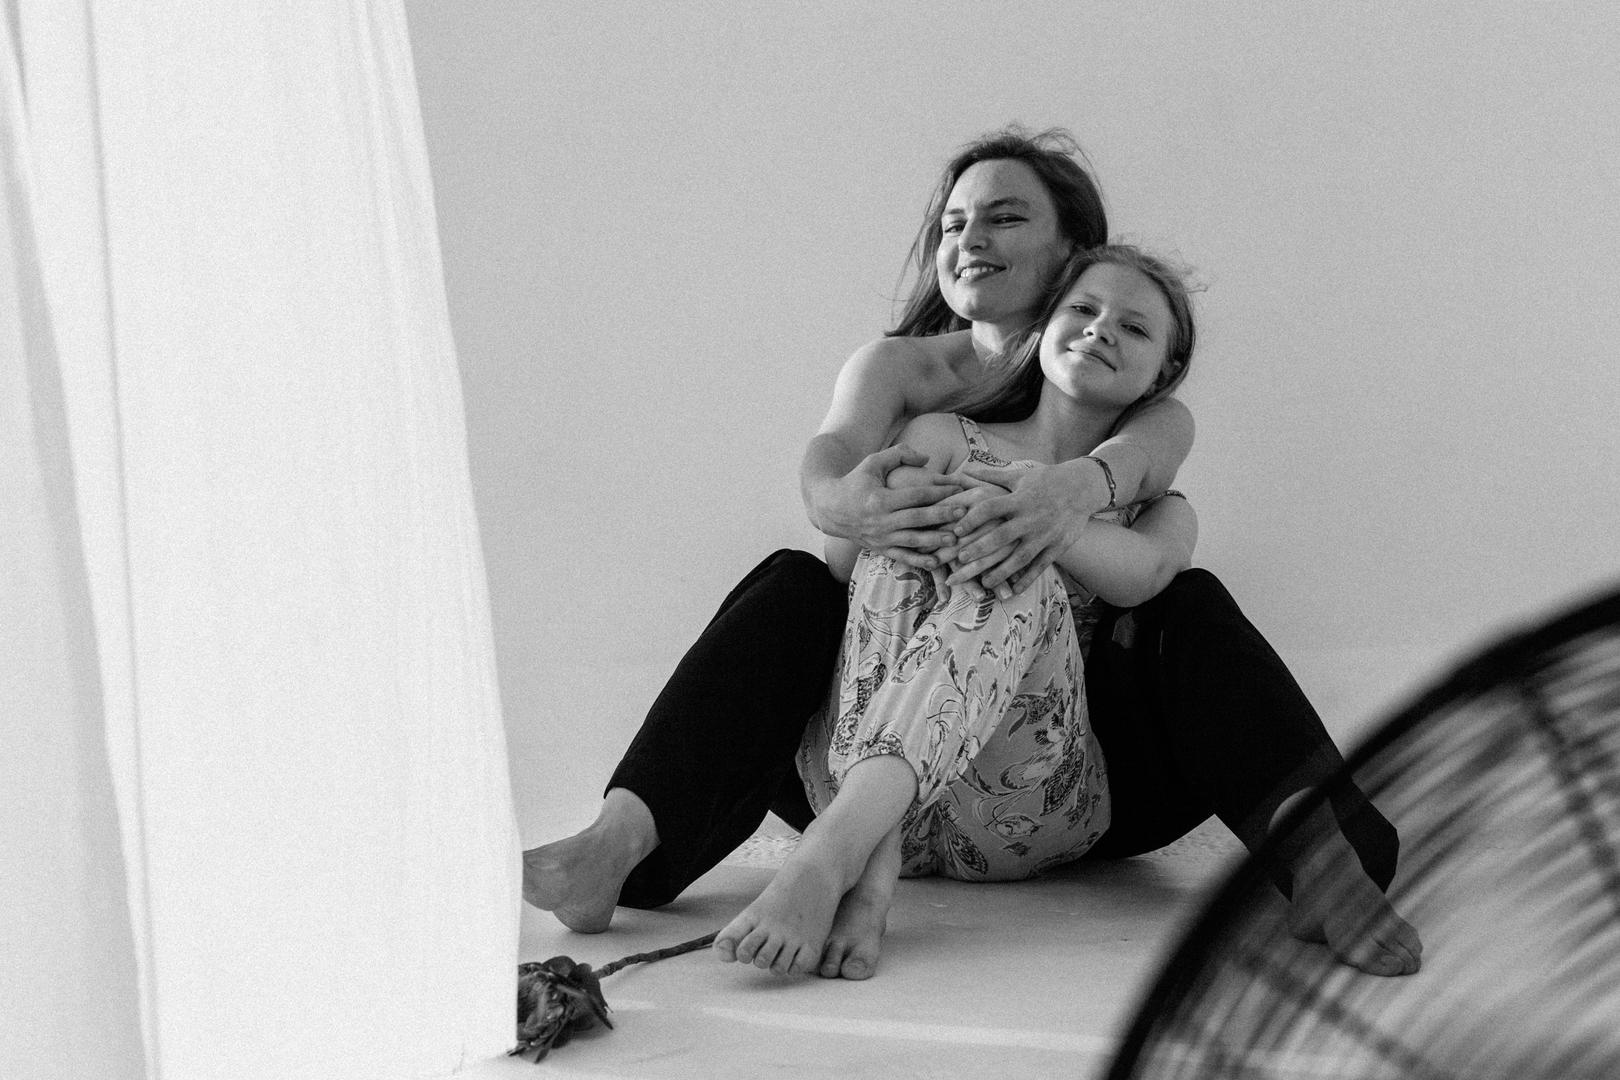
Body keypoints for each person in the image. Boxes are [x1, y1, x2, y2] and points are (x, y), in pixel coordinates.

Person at [525, 126, 1413, 978]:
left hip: (1049, 774)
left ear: (1072, 253)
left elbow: (1152, 534)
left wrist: (1060, 503)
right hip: (856, 744)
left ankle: (1318, 853)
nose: (970, 239)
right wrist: (871, 510)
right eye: (954, 223)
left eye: (1005, 217)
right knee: (796, 583)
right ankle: (625, 840)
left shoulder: (1151, 432)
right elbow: (836, 519)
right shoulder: (915, 397)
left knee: (1173, 597)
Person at [711, 246, 1422, 981]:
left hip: (1026, 807)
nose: (1101, 329)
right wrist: (926, 516)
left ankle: (832, 859)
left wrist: (1038, 511)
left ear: (1164, 374)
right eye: (1082, 309)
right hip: (849, 769)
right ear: (1043, 327)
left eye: (1134, 328)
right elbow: (846, 572)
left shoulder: (1163, 510)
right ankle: (863, 856)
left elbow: (1146, 577)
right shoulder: (939, 436)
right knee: (899, 540)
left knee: (1020, 560)